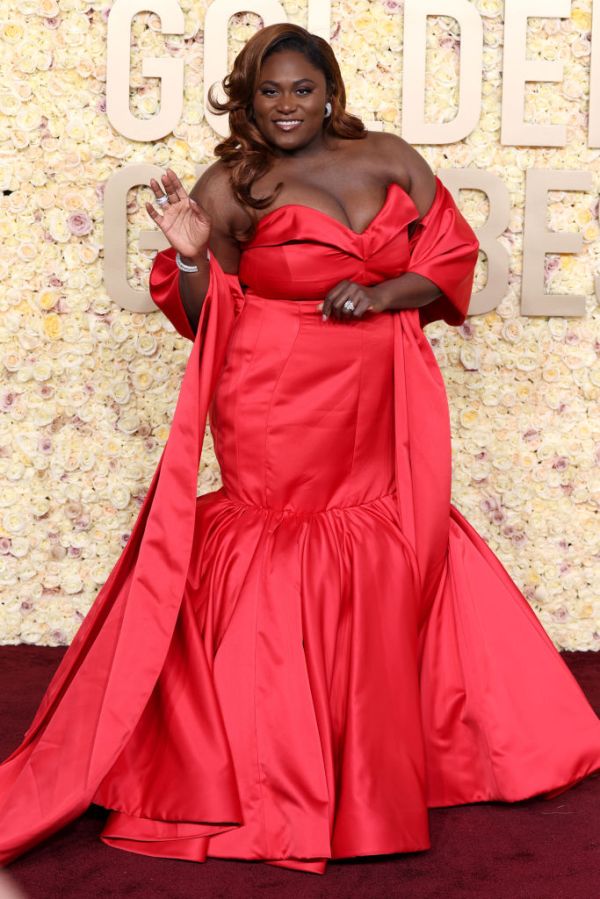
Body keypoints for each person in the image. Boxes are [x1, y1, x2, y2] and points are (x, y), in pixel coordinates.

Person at [1, 23, 599, 877]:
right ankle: (271, 777)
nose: (287, 107)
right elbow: (208, 314)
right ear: (248, 100)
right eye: (269, 93)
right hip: (274, 391)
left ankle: (387, 758)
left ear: (332, 94)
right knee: (286, 545)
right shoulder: (233, 181)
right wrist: (195, 256)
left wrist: (382, 289)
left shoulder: (392, 158)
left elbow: (454, 257)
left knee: (390, 538)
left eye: (302, 91)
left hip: (382, 385)